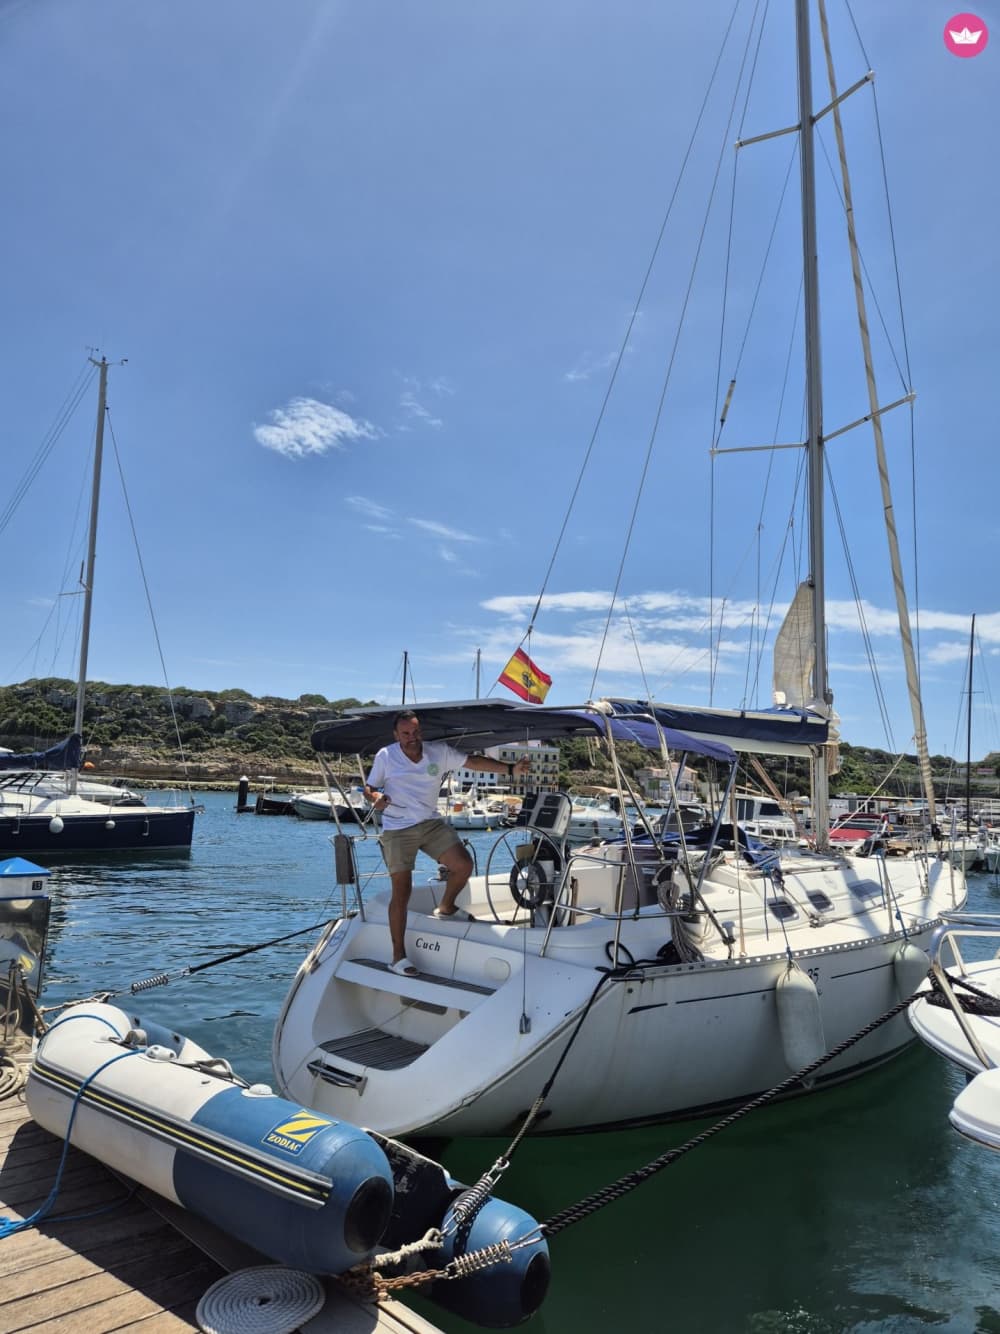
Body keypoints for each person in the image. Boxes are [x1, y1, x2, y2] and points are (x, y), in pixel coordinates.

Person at [363, 710, 531, 975]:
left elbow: (473, 762)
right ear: (396, 735)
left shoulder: (437, 753)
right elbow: (369, 788)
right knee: (402, 891)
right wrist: (376, 798)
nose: (411, 737)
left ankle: (446, 907)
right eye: (405, 733)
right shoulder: (386, 755)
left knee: (463, 865)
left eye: (415, 732)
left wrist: (511, 769)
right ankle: (398, 957)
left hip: (430, 822)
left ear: (422, 732)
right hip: (397, 827)